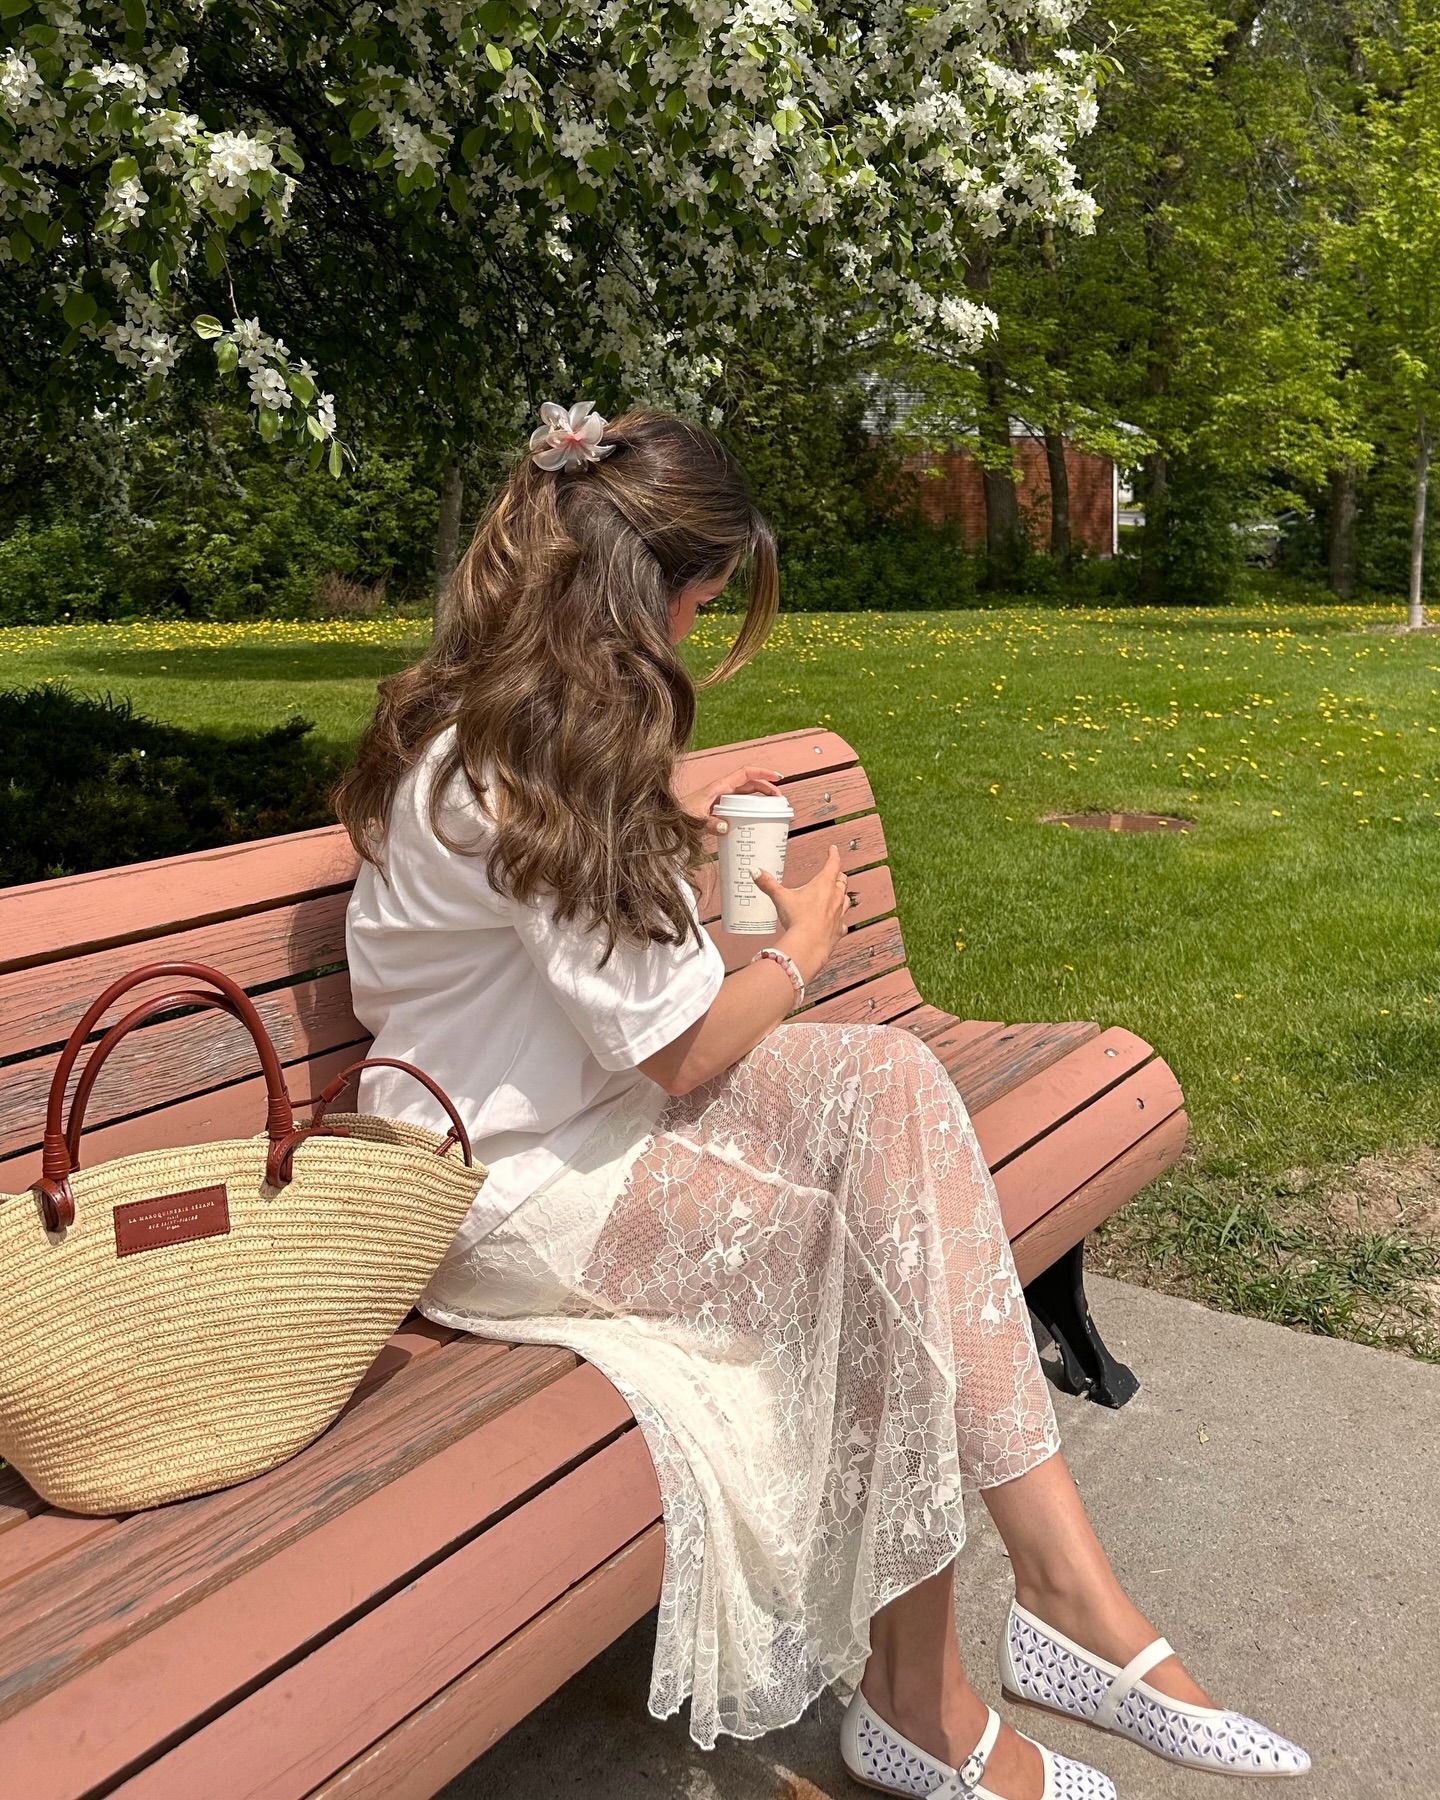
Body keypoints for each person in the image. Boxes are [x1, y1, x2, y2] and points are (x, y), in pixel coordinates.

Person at [336, 403, 1310, 1799]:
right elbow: (674, 1053)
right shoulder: (529, 755)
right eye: (704, 602)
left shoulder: (514, 722)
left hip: (584, 1113)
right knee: (862, 1246)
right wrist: (802, 946)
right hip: (499, 1184)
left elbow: (620, 997)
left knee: (893, 1082)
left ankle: (1058, 1595)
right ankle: (953, 1688)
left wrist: (747, 940)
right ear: (644, 592)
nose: (696, 635)